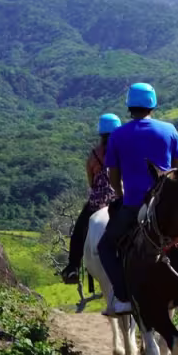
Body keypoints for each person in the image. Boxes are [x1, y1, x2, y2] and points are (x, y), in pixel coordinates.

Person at [99, 82, 178, 317]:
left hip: (133, 206)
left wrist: (121, 196)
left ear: (129, 106)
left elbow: (113, 174)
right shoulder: (169, 130)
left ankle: (123, 297)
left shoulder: (118, 135)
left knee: (106, 247)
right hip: (166, 209)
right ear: (153, 104)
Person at [59, 112, 122, 284]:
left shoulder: (94, 154)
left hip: (97, 202)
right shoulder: (123, 151)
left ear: (101, 133)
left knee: (79, 230)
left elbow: (91, 181)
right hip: (120, 197)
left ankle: (73, 267)